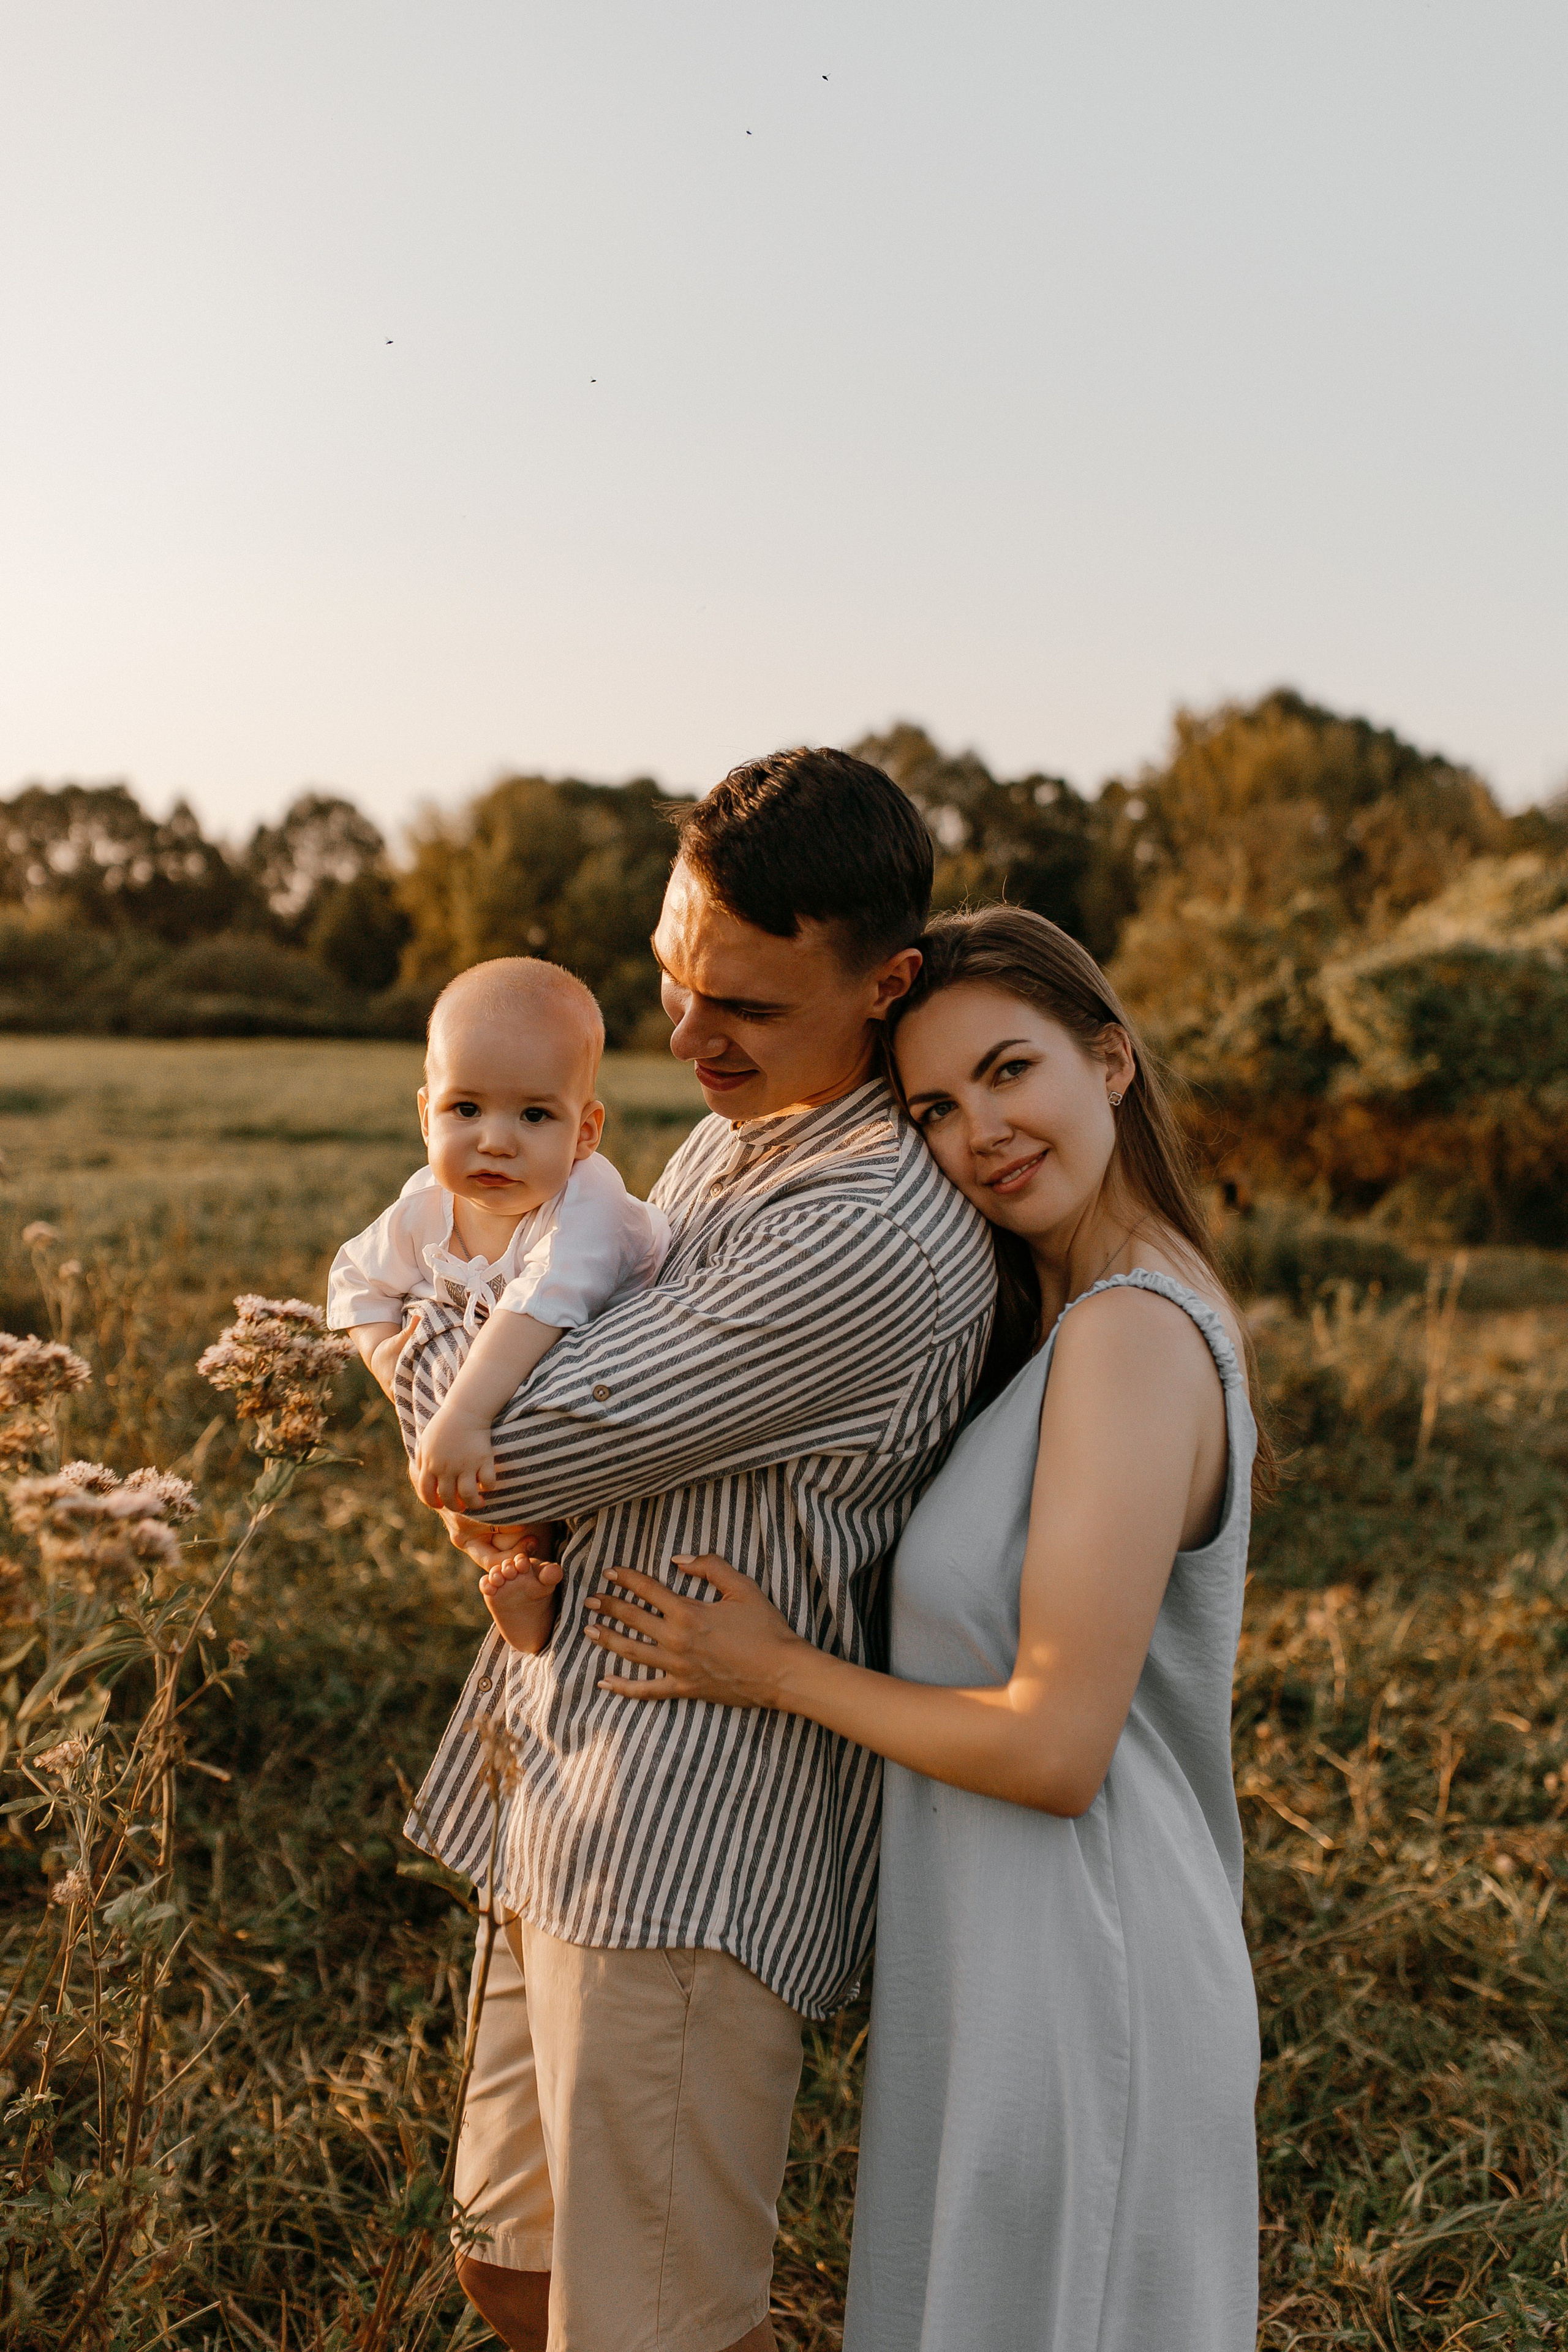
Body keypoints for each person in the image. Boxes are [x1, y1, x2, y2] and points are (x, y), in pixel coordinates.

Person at [586, 905, 1264, 2351]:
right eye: (934, 1107)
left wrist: (771, 1668)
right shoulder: (1070, 1323)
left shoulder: (1131, 1334)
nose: (981, 1133)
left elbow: (1055, 1740)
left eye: (1012, 1070)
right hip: (1009, 1960)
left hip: (1091, 1972)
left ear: (1111, 1059)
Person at [396, 750, 997, 2352]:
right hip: (567, 1776)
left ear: (888, 986)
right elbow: (562, 1367)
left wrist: (386, 1291)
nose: (683, 1033)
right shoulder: (739, 1140)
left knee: (651, 2323)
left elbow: (509, 1434)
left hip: (690, 1846)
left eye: (743, 1003)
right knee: (510, 2268)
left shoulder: (867, 1222)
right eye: (671, 974)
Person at [327, 957, 668, 1643]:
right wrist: (387, 1367)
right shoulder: (427, 1205)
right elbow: (356, 1281)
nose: (495, 1140)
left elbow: (547, 1298)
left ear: (585, 1132)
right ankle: (512, 1568)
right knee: (436, 1353)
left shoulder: (589, 1199)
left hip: (605, 1389)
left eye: (535, 1114)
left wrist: (463, 1416)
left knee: (463, 1369)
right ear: (427, 1115)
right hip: (503, 1396)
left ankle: (531, 1549)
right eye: (466, 1109)